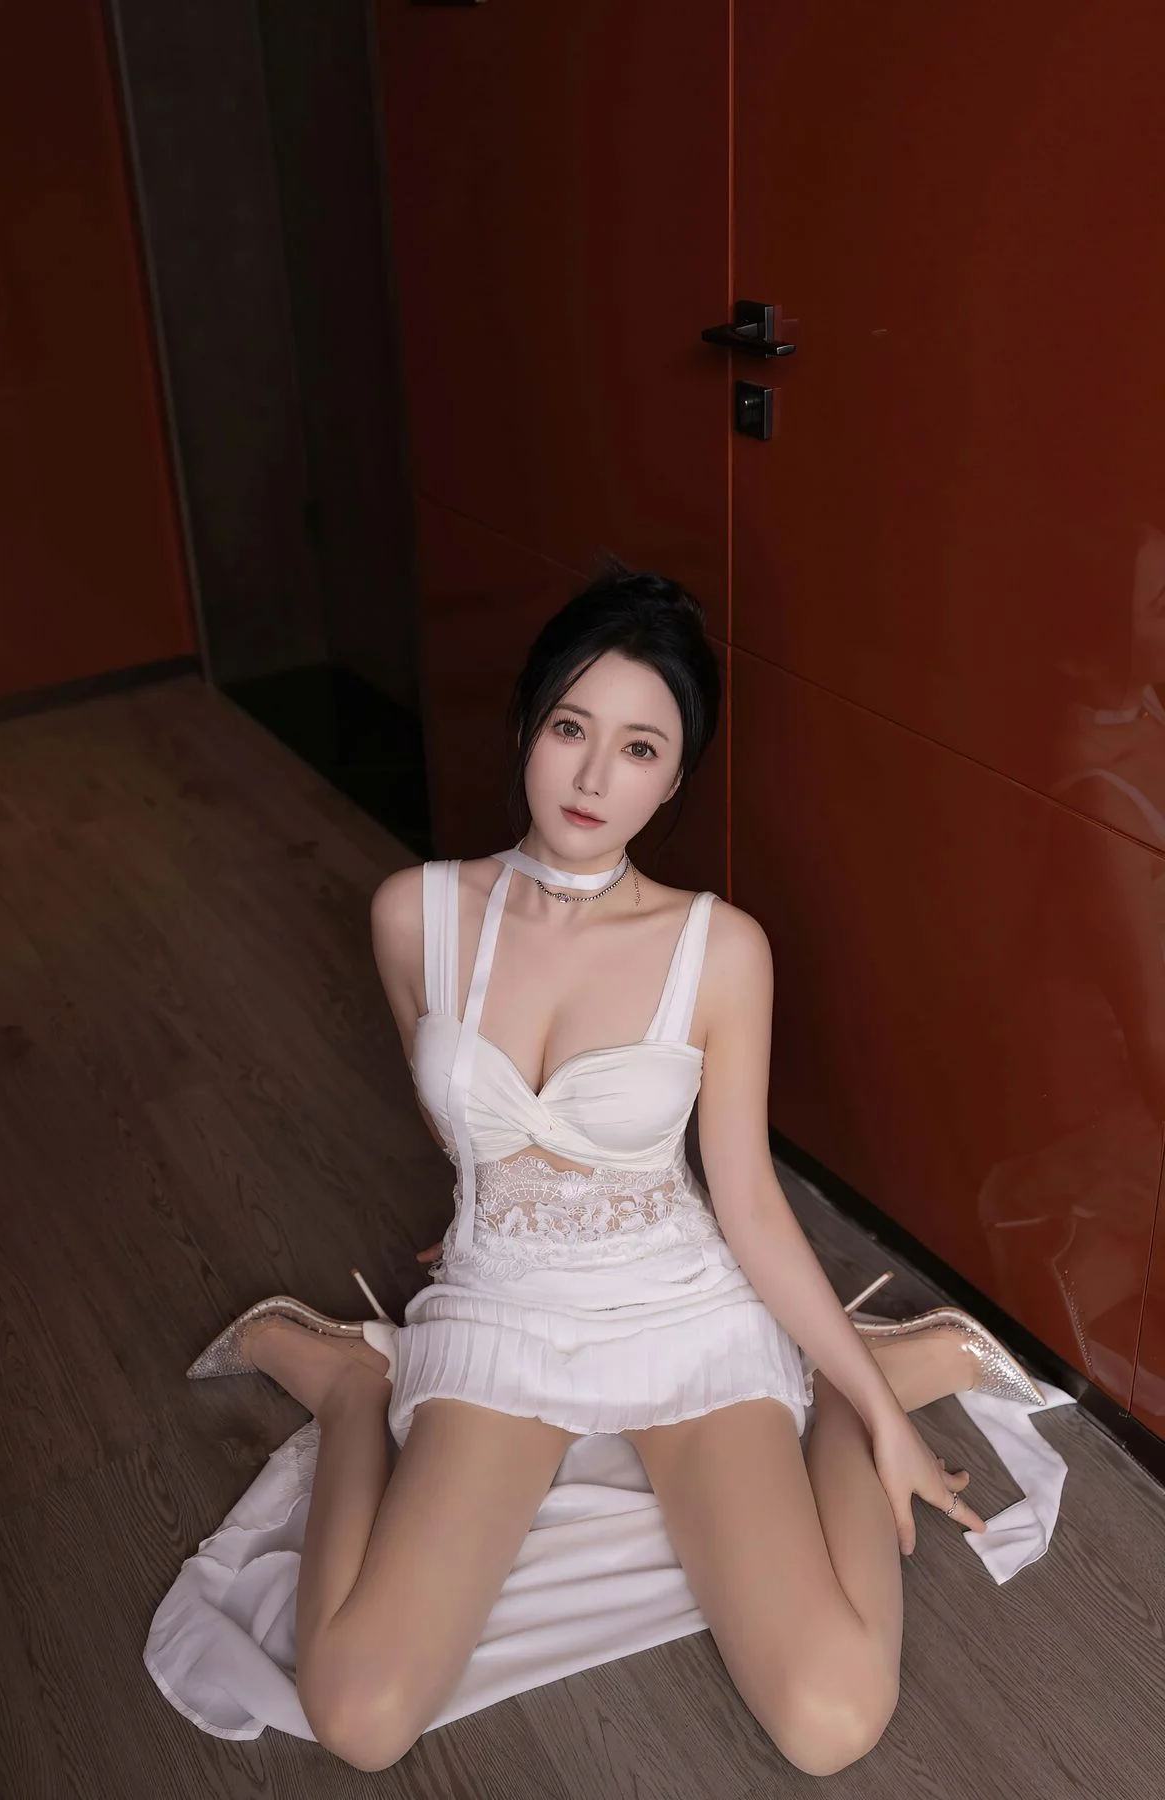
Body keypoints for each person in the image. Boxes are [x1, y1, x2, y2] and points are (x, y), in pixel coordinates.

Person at [180, 567, 1046, 1777]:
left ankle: (868, 1386)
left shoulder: (720, 949)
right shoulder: (413, 913)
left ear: (674, 776)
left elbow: (747, 1198)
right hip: (504, 1313)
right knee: (359, 1718)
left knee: (832, 1721)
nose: (594, 779)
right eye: (570, 729)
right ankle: (347, 1388)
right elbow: (450, 1112)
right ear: (526, 727)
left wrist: (871, 1419)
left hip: (679, 1313)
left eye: (640, 748)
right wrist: (505, 1209)